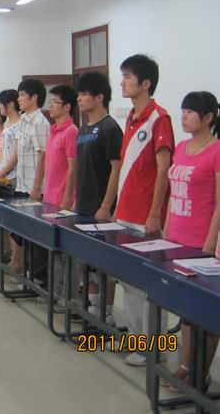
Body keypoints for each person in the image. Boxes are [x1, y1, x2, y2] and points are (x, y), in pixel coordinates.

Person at [114, 54, 176, 367]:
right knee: (129, 282)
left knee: (148, 285)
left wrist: (154, 214)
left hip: (144, 216)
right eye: (123, 76)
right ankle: (138, 340)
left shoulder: (158, 118)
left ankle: (156, 347)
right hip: (125, 212)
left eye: (128, 76)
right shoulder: (131, 118)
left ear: (146, 83)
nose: (122, 82)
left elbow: (163, 169)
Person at [163, 91, 220, 390]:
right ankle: (186, 366)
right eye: (182, 110)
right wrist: (166, 230)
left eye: (190, 112)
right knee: (185, 308)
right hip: (176, 239)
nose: (183, 116)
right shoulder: (181, 148)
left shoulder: (217, 151)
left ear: (208, 117)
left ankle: (201, 373)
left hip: (201, 243)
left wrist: (210, 243)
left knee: (205, 312)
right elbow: (174, 193)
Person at [75, 71, 123, 326]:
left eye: (84, 94)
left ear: (99, 97)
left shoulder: (110, 128)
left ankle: (107, 313)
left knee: (104, 262)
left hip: (101, 208)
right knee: (87, 261)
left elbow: (116, 168)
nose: (79, 99)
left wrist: (106, 206)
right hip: (83, 205)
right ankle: (94, 310)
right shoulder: (84, 127)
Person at [7, 79, 49, 274]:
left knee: (35, 236)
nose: (19, 99)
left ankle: (37, 276)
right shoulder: (23, 120)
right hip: (22, 186)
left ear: (34, 98)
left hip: (34, 189)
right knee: (20, 233)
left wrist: (37, 188)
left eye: (22, 95)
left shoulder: (40, 123)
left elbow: (43, 156)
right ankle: (23, 269)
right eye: (19, 95)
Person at [43, 84, 79, 308]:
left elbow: (73, 168)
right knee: (54, 250)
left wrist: (67, 199)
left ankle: (69, 297)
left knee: (67, 253)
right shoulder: (53, 130)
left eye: (54, 102)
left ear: (67, 107)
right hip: (50, 199)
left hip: (64, 202)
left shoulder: (71, 132)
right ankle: (55, 293)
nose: (50, 106)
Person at [0, 89, 20, 187]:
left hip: (13, 177)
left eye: (0, 104)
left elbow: (15, 156)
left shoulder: (19, 125)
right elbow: (2, 152)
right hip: (2, 176)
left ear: (11, 104)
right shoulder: (6, 124)